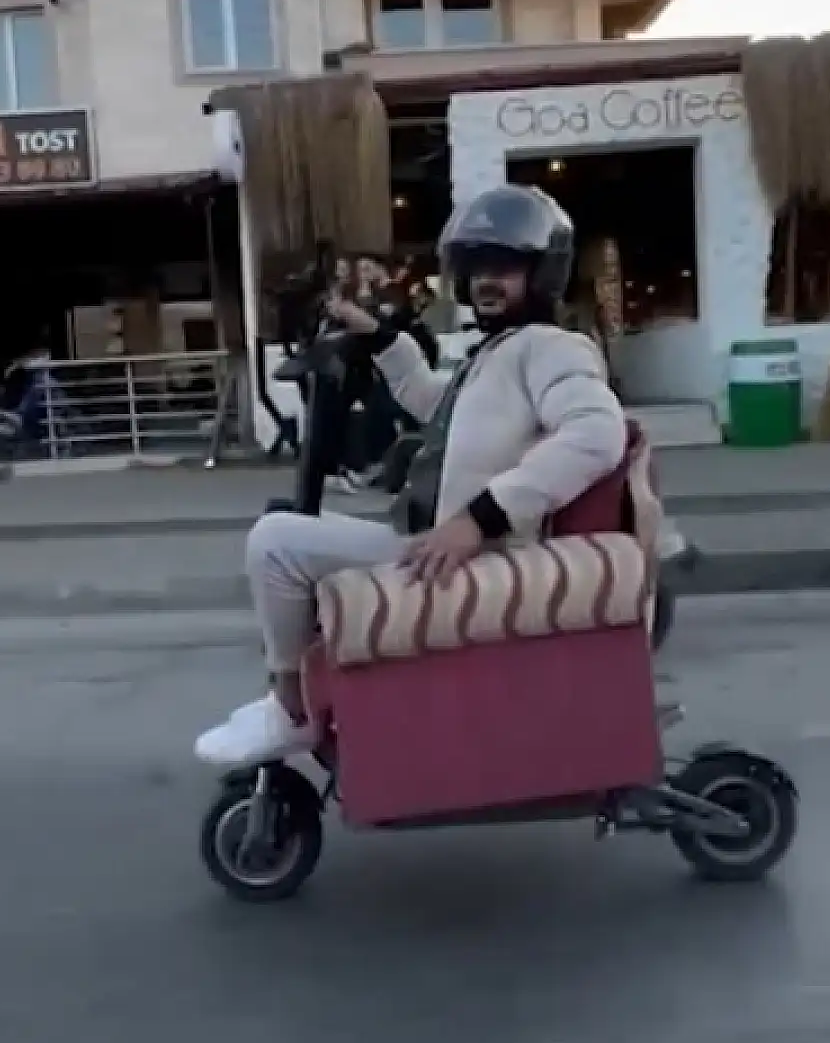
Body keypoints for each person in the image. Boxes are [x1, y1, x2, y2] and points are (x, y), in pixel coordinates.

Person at [195, 184, 627, 769]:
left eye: (503, 266)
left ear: (542, 273)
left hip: (474, 555)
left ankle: (290, 709)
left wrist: (478, 520)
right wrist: (375, 336)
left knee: (275, 545)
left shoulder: (552, 349)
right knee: (285, 527)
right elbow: (437, 405)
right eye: (476, 269)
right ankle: (297, 702)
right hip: (435, 542)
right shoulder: (499, 351)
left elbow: (598, 434)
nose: (485, 282)